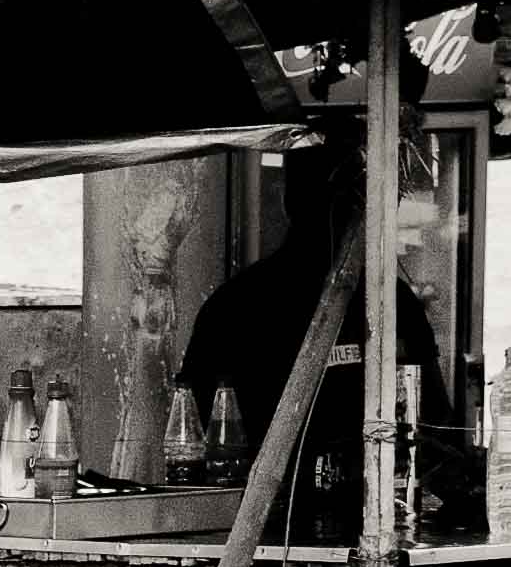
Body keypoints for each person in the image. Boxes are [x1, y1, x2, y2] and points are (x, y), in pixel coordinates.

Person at [177, 143, 457, 543]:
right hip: (268, 531)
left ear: (284, 199)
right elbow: (196, 444)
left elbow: (435, 431)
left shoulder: (391, 300)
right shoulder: (238, 307)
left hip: (380, 522)